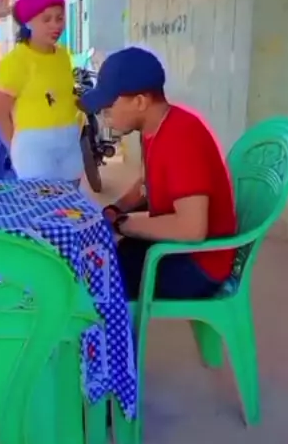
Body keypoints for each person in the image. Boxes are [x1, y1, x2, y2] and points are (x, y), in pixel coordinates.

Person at [80, 46, 237, 301]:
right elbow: (146, 183)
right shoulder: (155, 129)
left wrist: (122, 224)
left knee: (97, 282)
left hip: (200, 263)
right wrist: (115, 209)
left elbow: (191, 228)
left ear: (140, 102)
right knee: (97, 257)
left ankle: (111, 328)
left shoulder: (181, 137)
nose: (103, 115)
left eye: (109, 106)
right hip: (177, 248)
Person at [0, 0, 83, 182]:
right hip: (34, 149)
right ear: (28, 22)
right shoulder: (15, 61)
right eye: (46, 19)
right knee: (43, 199)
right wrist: (16, 148)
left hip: (69, 142)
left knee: (72, 198)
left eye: (59, 18)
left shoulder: (63, 56)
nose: (55, 25)